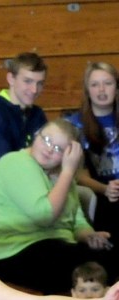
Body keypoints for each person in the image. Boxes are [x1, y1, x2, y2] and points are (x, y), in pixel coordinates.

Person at [0, 118, 115, 295]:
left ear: (68, 155)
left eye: (58, 149)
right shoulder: (15, 163)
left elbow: (77, 222)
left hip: (54, 246)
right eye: (47, 140)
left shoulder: (62, 177)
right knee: (69, 264)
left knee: (109, 255)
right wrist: (67, 172)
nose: (49, 149)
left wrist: (89, 236)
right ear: (36, 135)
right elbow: (44, 215)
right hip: (12, 251)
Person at [0, 52, 49, 206]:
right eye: (27, 81)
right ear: (11, 79)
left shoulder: (37, 114)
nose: (34, 90)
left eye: (40, 83)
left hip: (29, 185)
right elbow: (4, 164)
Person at [65, 61, 119, 237]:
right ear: (87, 90)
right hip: (100, 194)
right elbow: (78, 174)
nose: (101, 90)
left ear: (116, 87)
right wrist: (106, 189)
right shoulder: (75, 125)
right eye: (95, 85)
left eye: (108, 83)